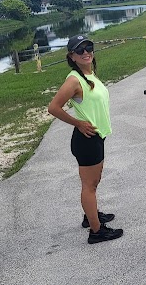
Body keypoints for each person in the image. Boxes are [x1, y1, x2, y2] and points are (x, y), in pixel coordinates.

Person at [48, 35, 123, 244]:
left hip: (96, 136)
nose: (85, 53)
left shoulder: (89, 74)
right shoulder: (74, 80)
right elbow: (53, 108)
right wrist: (78, 123)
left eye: (88, 47)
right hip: (86, 138)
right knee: (89, 185)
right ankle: (96, 231)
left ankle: (90, 216)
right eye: (79, 50)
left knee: (93, 182)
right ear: (71, 56)